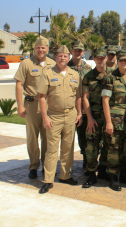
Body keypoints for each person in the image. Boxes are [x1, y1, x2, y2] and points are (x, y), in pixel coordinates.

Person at [37, 45, 83, 194]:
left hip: (70, 115)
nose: (62, 58)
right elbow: (42, 97)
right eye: (59, 56)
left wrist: (79, 113)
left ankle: (65, 175)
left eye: (65, 56)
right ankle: (48, 179)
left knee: (68, 148)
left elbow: (78, 96)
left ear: (69, 58)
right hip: (54, 115)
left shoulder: (75, 75)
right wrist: (45, 117)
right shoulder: (48, 74)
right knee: (51, 149)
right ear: (55, 58)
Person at [14, 37, 55, 179]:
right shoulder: (26, 63)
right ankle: (33, 166)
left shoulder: (53, 64)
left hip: (48, 105)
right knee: (32, 137)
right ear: (34, 49)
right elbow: (19, 84)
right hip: (32, 104)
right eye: (38, 47)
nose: (41, 50)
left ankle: (45, 165)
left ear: (47, 49)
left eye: (43, 47)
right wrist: (20, 106)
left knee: (47, 137)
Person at [102, 50, 126, 191]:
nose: (124, 63)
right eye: (121, 60)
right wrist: (108, 122)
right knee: (114, 148)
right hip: (115, 120)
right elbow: (105, 100)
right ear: (118, 62)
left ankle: (124, 174)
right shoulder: (110, 78)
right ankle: (113, 176)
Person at [81, 47, 110, 188]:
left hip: (109, 118)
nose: (100, 60)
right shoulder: (88, 76)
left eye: (102, 58)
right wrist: (90, 118)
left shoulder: (111, 75)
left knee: (108, 145)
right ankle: (92, 173)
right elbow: (85, 98)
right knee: (91, 146)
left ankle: (103, 170)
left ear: (106, 58)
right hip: (94, 117)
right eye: (97, 58)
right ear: (94, 59)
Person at [68, 41, 92, 172]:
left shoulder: (88, 68)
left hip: (84, 108)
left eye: (80, 50)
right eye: (75, 50)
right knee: (68, 137)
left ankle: (86, 158)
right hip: (69, 107)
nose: (77, 52)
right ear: (71, 51)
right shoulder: (65, 67)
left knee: (84, 135)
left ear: (83, 52)